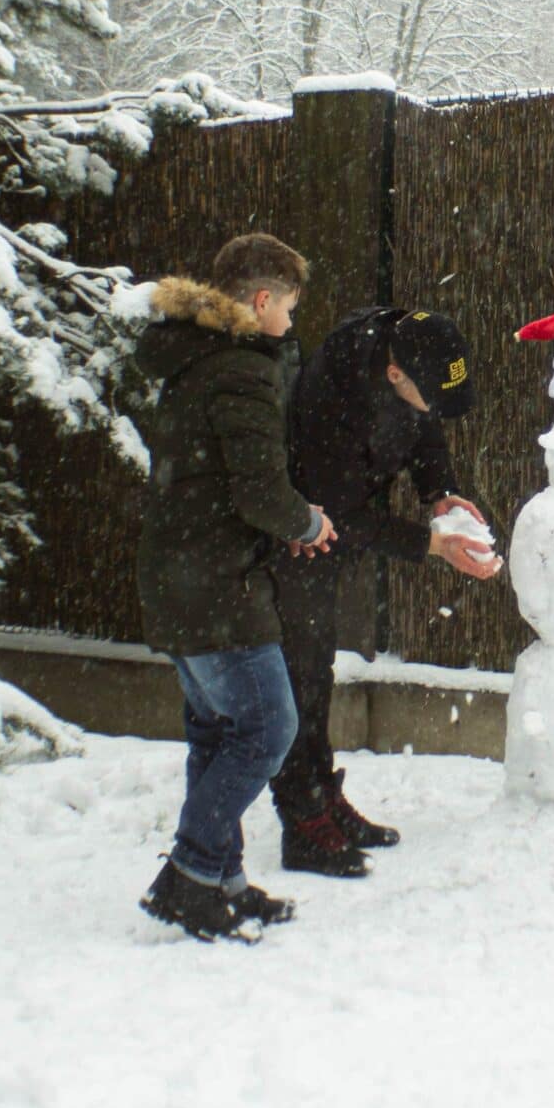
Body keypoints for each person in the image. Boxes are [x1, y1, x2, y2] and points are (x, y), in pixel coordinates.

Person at [131, 234, 336, 940]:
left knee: (216, 733)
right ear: (259, 299)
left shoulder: (192, 359)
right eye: (287, 306)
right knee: (268, 728)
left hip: (177, 576)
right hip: (217, 583)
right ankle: (189, 876)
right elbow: (259, 490)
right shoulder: (243, 368)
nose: (289, 321)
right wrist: (307, 523)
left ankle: (223, 880)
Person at [271, 305, 500, 875]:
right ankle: (302, 820)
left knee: (315, 670)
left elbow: (424, 425)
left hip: (337, 522)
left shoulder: (408, 347)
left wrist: (439, 490)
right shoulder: (335, 396)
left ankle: (323, 797)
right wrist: (430, 544)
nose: (436, 412)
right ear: (395, 376)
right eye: (431, 396)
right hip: (295, 537)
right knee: (301, 673)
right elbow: (342, 512)